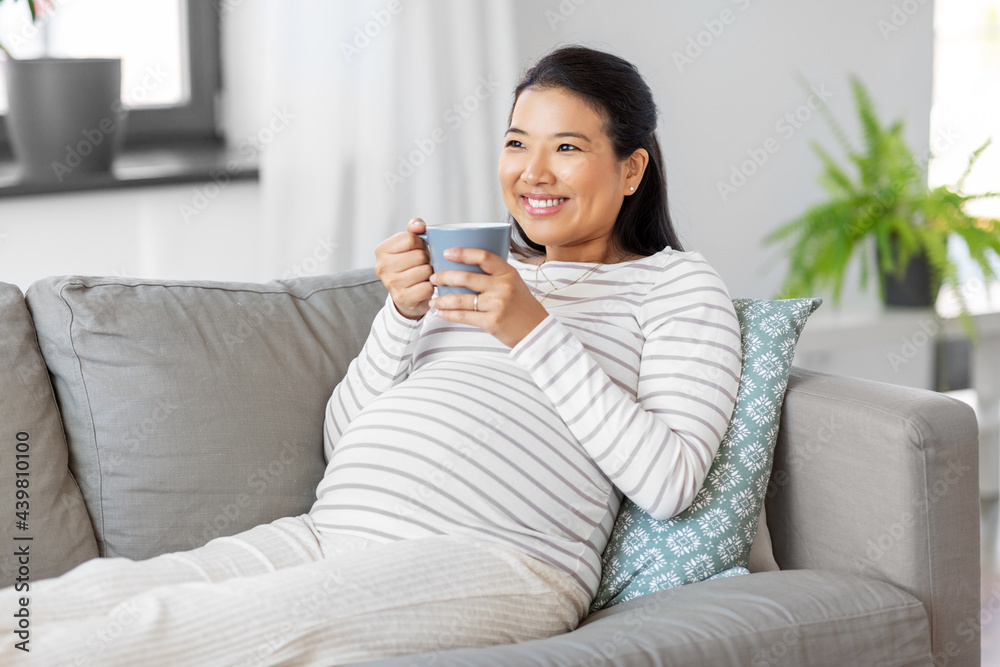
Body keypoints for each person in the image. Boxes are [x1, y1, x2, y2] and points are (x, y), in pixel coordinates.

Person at [0, 45, 741, 666]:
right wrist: (401, 314)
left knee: (158, 631)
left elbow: (669, 478)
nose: (532, 172)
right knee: (75, 600)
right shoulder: (481, 268)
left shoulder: (674, 286)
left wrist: (531, 327)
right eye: (517, 142)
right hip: (332, 532)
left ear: (633, 168)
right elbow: (344, 439)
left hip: (500, 560)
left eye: (567, 148)